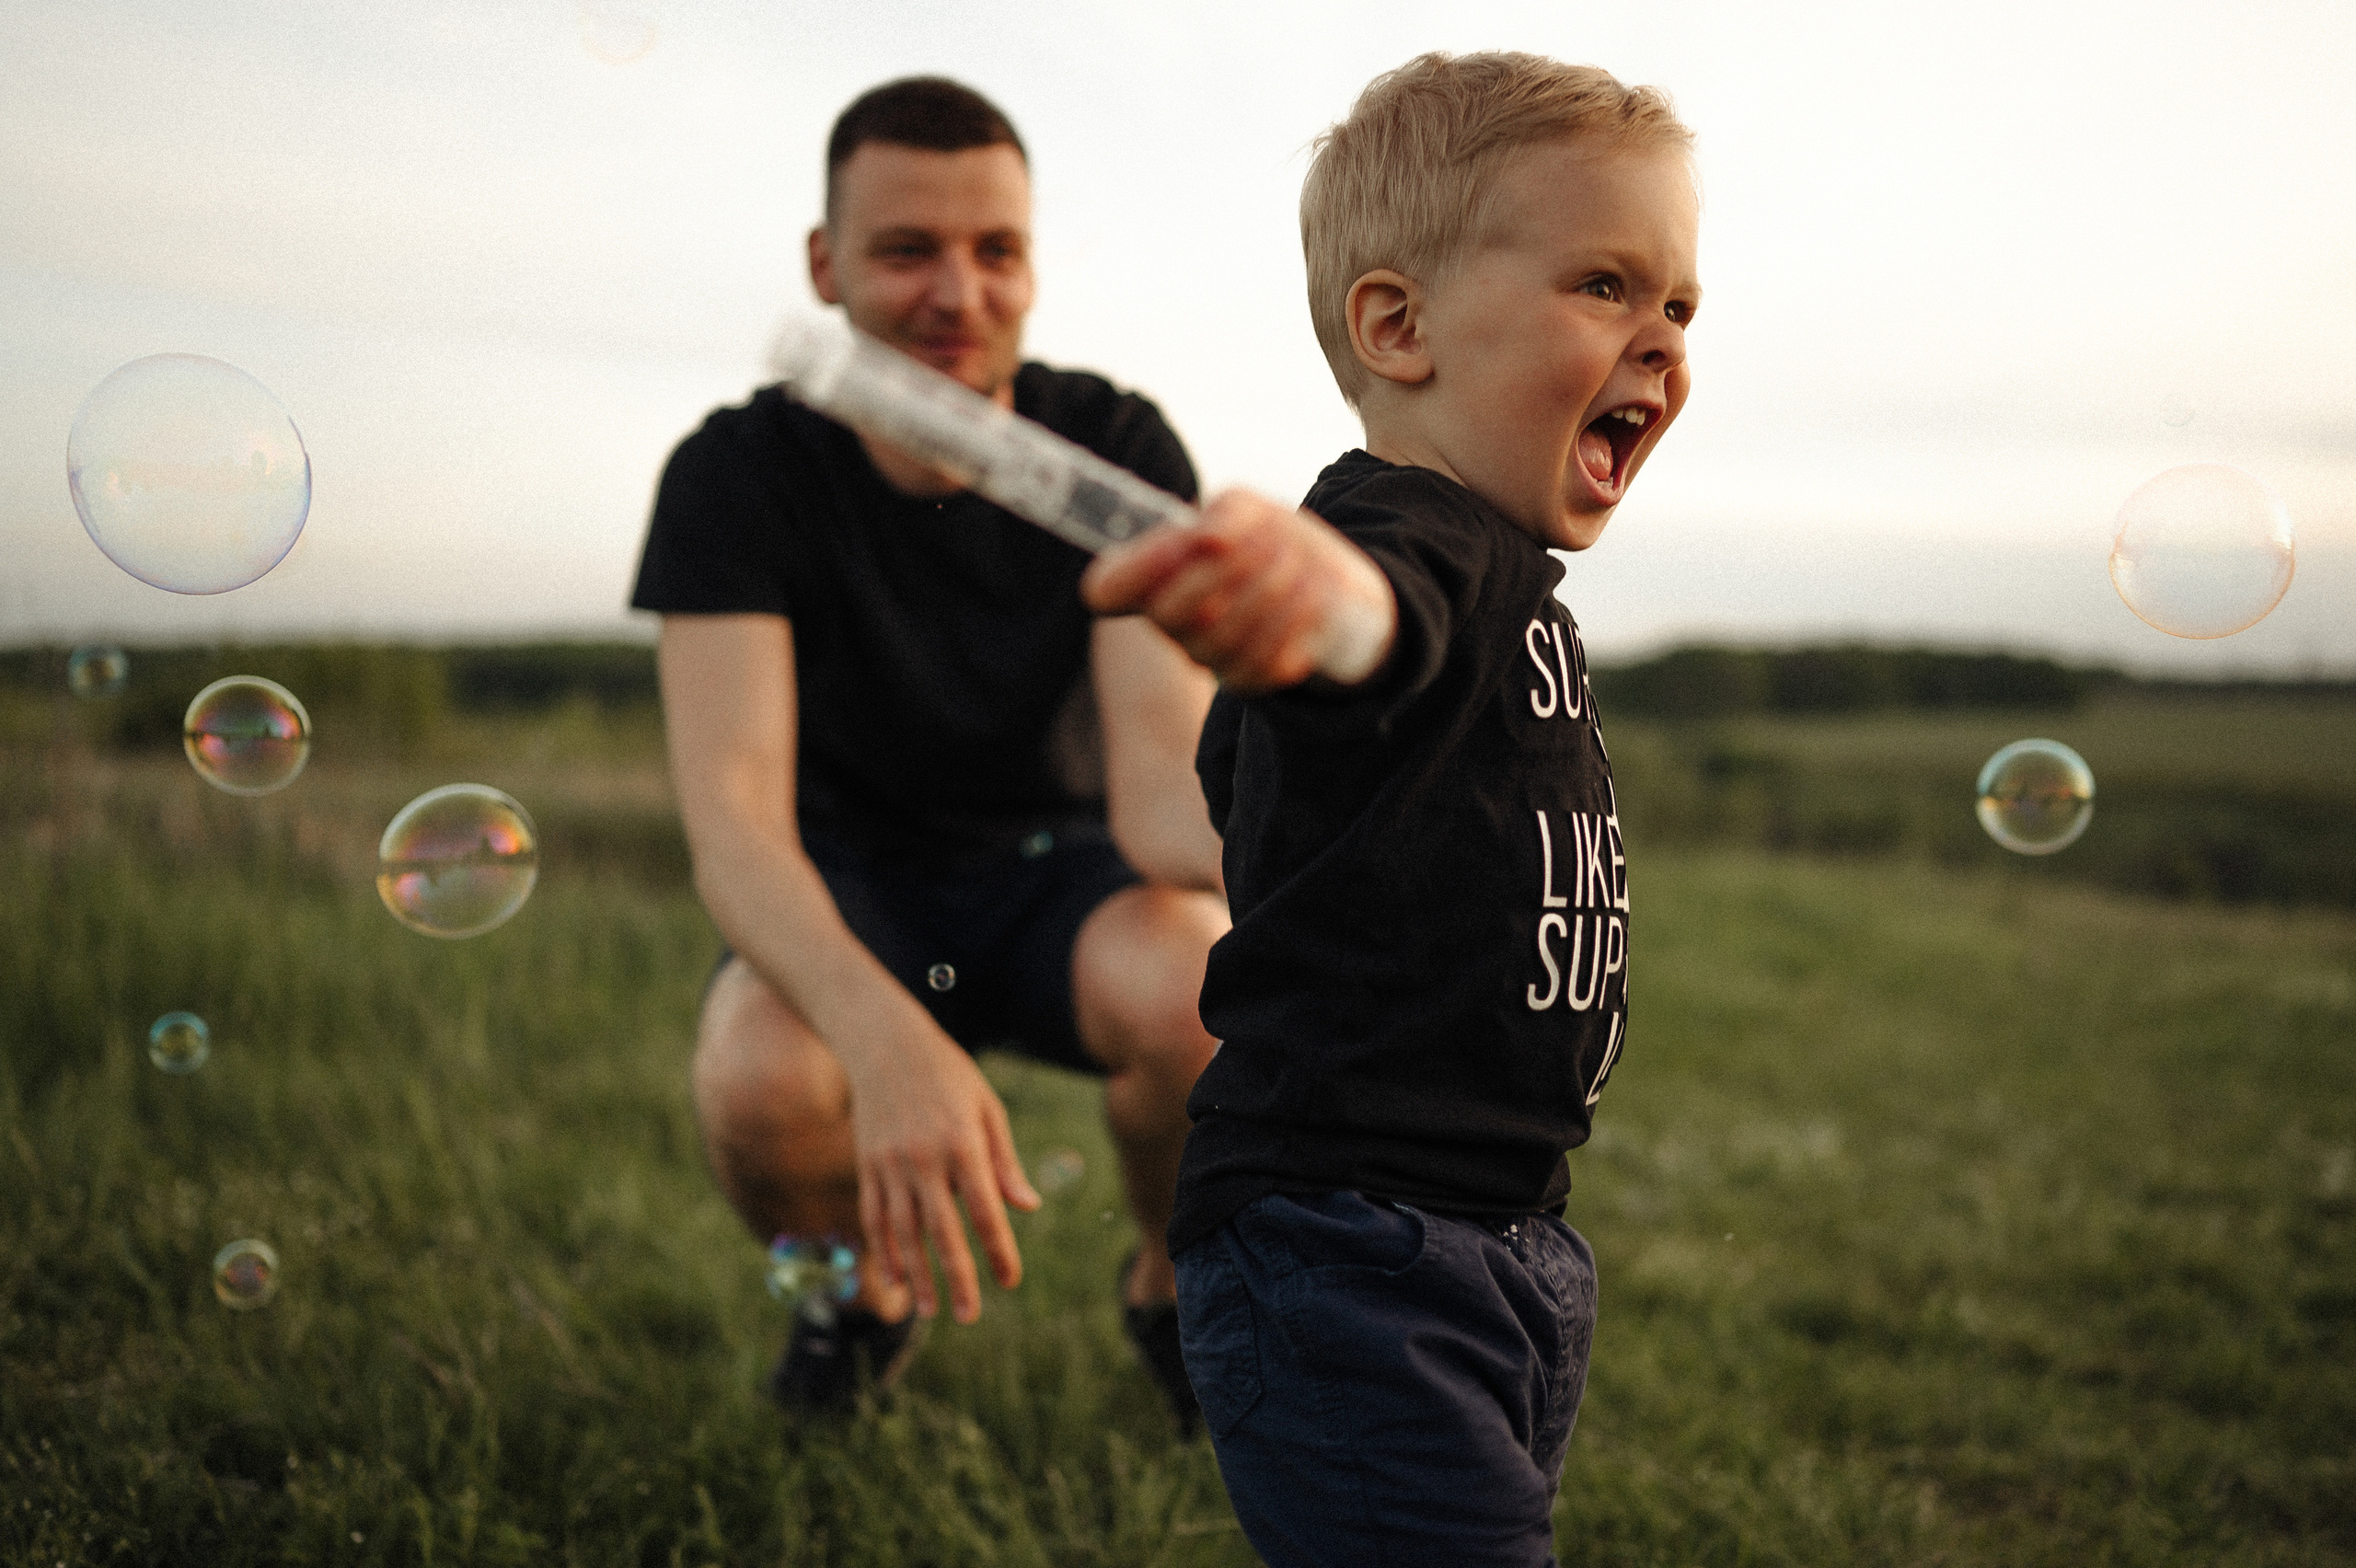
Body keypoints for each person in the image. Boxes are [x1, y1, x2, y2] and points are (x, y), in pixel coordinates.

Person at [1081, 51, 1698, 1566]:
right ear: (1398, 325)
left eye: (1682, 307)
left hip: (1503, 1235)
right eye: (1606, 287)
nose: (1663, 346)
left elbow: (1263, 773)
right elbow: (1375, 618)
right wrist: (1316, 612)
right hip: (1348, 1246)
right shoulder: (1404, 537)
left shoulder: (1515, 583)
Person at [629, 76, 1227, 1427]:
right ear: (825, 266)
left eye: (996, 250)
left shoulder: (1112, 450)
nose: (958, 291)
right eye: (908, 251)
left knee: (1209, 986)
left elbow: (1163, 798)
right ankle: (862, 1303)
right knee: (760, 1080)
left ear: (1031, 265)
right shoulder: (736, 475)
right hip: (842, 883)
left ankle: (1175, 1293)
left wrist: (1327, 866)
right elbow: (733, 826)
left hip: (1058, 873)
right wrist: (886, 1041)